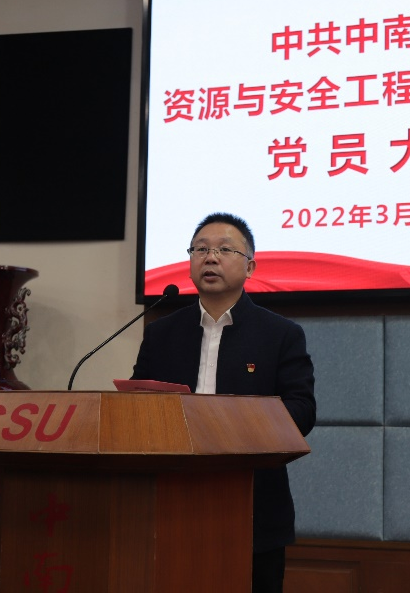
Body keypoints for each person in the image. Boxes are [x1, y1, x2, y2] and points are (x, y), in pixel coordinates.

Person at [132, 212, 315, 593]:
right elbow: (137, 406)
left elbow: (302, 412)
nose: (210, 257)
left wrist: (231, 421)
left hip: (252, 504)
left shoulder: (280, 334)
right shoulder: (161, 334)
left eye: (224, 250)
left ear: (250, 267)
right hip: (170, 501)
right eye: (200, 249)